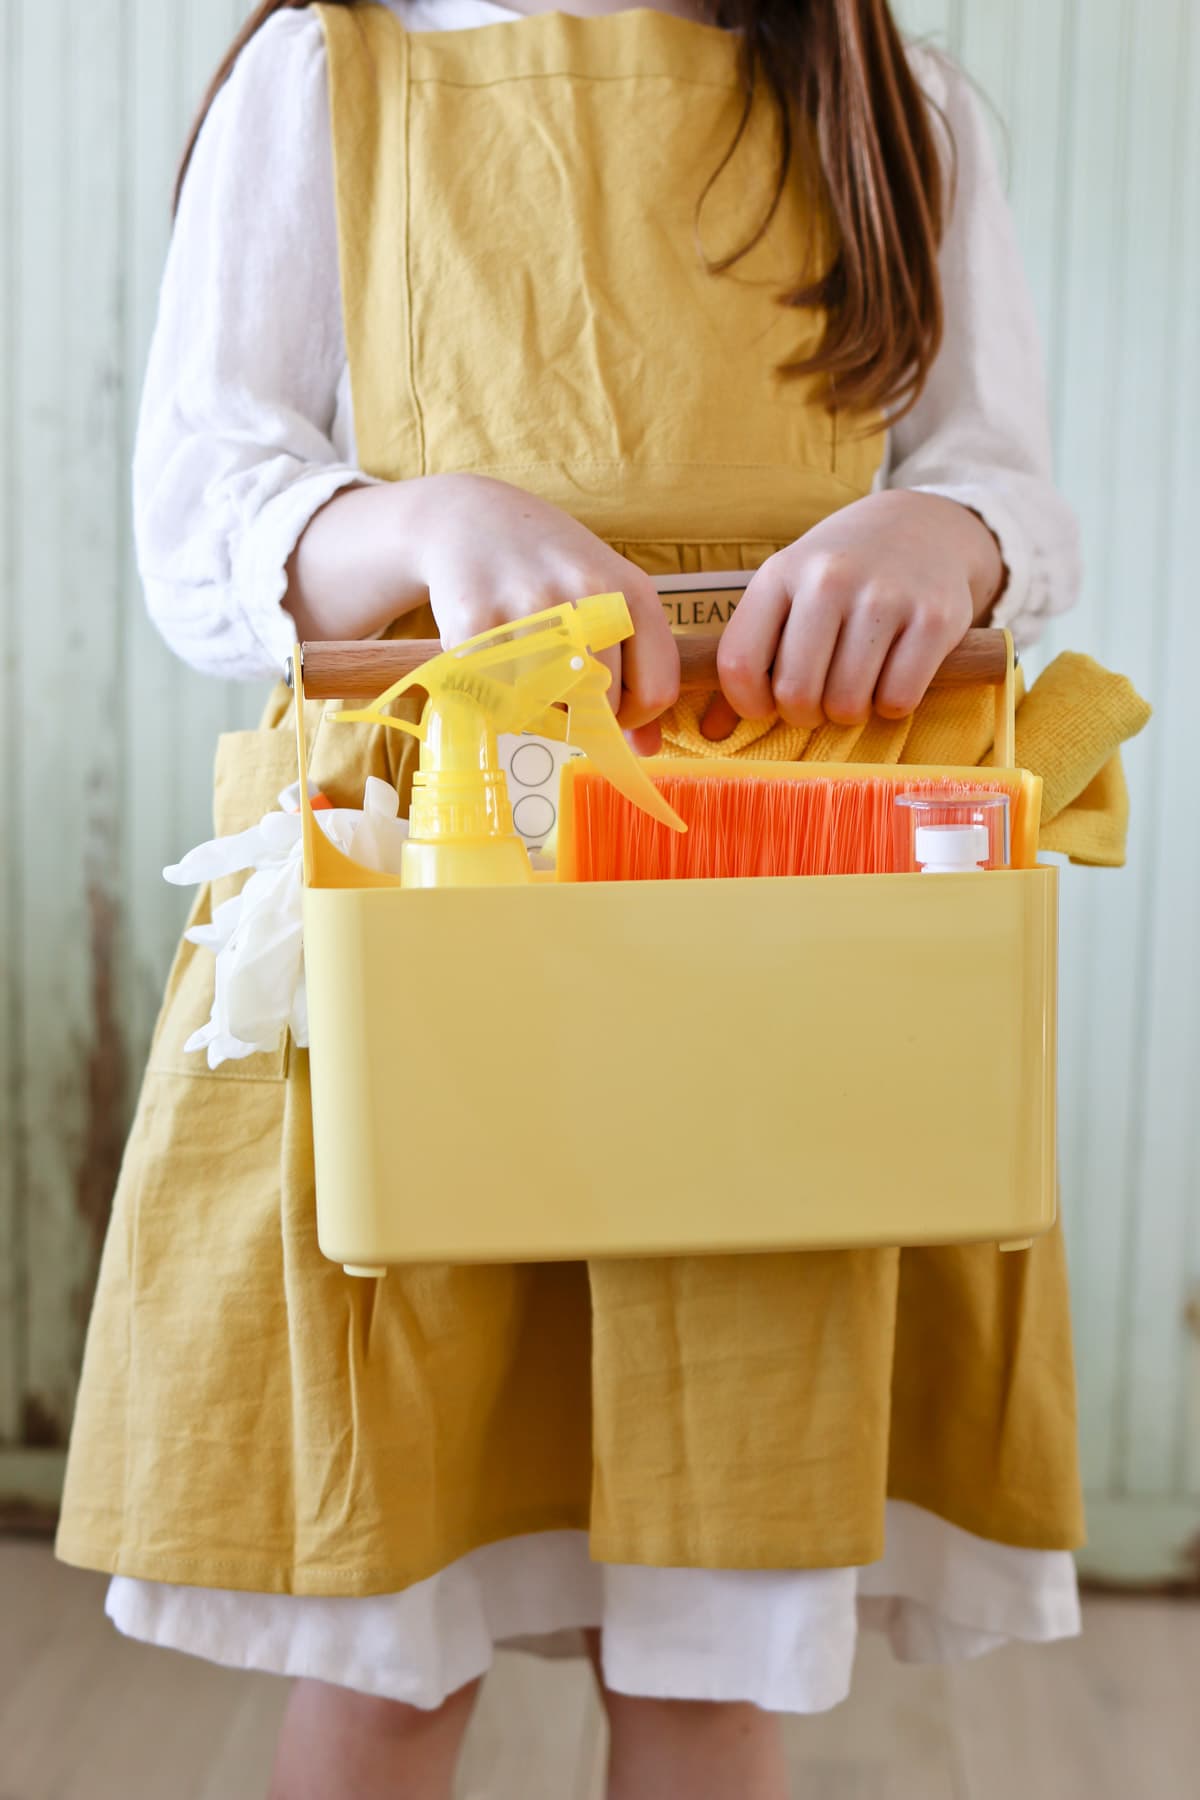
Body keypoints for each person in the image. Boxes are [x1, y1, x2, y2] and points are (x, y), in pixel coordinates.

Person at [58, 3, 1110, 1796]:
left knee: (711, 1647)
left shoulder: (890, 96)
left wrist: (950, 538)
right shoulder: (332, 76)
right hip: (443, 882)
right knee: (393, 1640)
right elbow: (202, 509)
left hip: (775, 917)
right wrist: (418, 529)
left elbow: (999, 477)